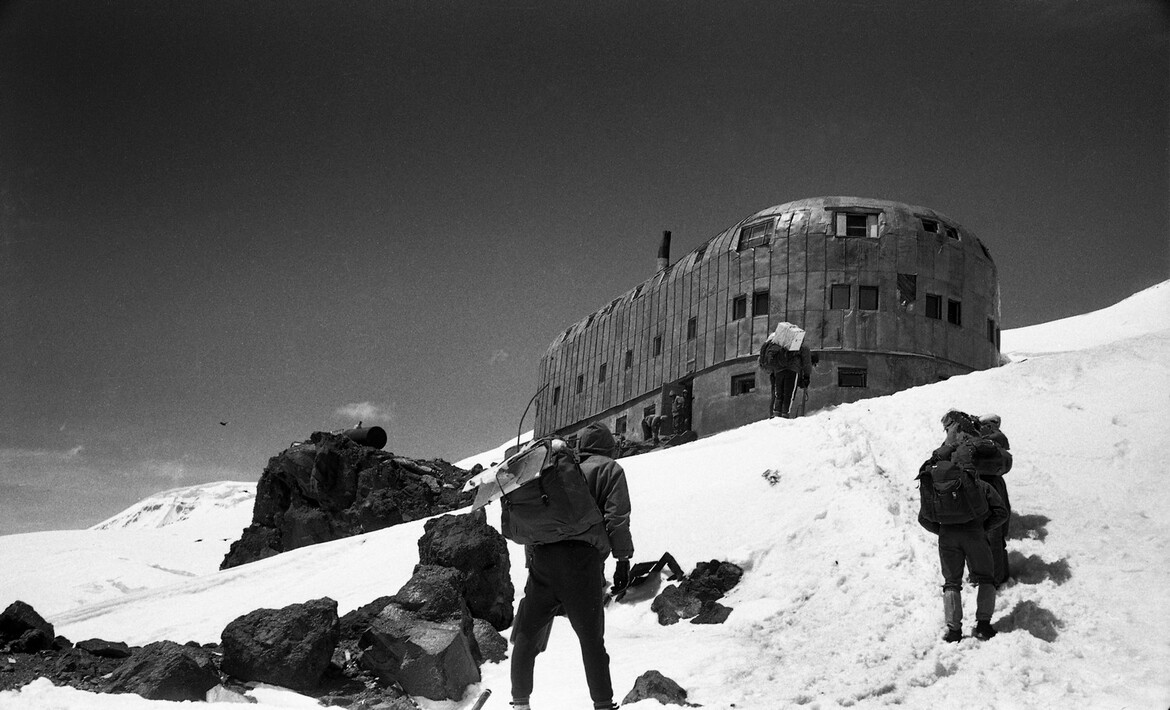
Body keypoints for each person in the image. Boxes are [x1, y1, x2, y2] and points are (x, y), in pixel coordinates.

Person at [510, 422, 633, 710]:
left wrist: (533, 564)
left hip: (543, 559)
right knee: (591, 639)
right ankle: (603, 704)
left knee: (527, 633)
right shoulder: (609, 469)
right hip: (582, 562)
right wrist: (622, 559)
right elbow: (617, 518)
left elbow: (537, 520)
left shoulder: (555, 470)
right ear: (608, 446)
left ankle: (519, 703)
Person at [918, 416, 1009, 643]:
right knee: (986, 578)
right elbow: (1001, 512)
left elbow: (924, 518)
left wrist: (944, 530)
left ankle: (954, 630)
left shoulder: (937, 485)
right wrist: (982, 528)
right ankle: (983, 626)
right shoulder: (979, 484)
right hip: (976, 534)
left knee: (952, 582)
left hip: (948, 537)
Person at [758, 322, 813, 419]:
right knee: (789, 394)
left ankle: (776, 416)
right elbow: (807, 362)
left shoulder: (778, 343)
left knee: (779, 395)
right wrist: (807, 376)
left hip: (778, 371)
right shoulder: (802, 346)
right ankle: (785, 416)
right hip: (792, 371)